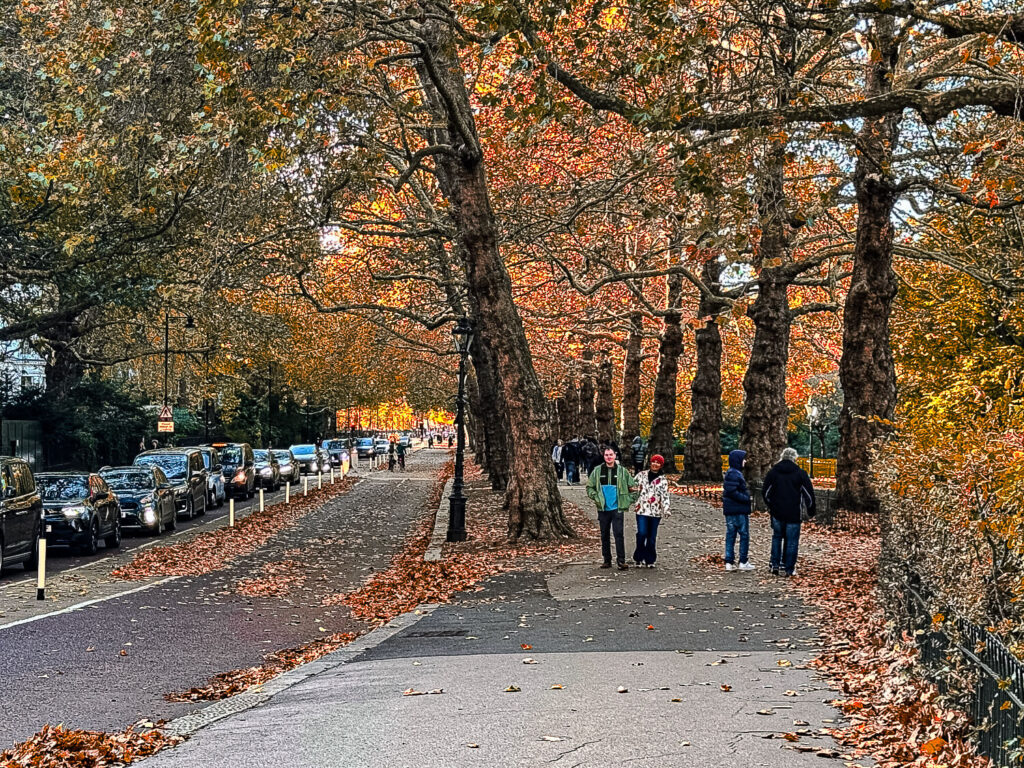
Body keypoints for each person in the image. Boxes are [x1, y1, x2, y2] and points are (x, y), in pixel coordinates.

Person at [762, 447, 816, 577]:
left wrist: (771, 506)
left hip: (777, 512)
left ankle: (775, 565)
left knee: (777, 537)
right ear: (794, 458)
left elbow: (766, 493)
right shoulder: (800, 473)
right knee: (792, 541)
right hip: (794, 512)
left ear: (782, 457)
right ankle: (789, 568)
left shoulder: (773, 473)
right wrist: (811, 510)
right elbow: (809, 495)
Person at [586, 447, 638, 570]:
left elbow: (634, 488)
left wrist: (628, 500)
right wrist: (596, 497)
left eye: (611, 454)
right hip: (603, 508)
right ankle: (606, 560)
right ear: (603, 456)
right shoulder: (598, 471)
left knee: (618, 533)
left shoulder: (622, 471)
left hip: (617, 507)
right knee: (604, 534)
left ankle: (621, 560)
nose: (609, 457)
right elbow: (590, 487)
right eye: (606, 455)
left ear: (615, 456)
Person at [633, 453, 671, 567]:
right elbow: (632, 487)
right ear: (650, 462)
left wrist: (667, 509)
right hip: (642, 509)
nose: (655, 464)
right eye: (654, 461)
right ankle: (638, 556)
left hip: (655, 511)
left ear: (661, 465)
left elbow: (665, 495)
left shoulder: (663, 480)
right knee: (642, 533)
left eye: (658, 463)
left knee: (651, 536)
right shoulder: (641, 475)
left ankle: (650, 559)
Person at [722, 449, 755, 571]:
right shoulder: (735, 474)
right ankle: (743, 561)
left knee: (731, 535)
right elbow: (732, 491)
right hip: (739, 509)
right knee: (744, 535)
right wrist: (746, 498)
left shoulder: (732, 473)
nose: (745, 461)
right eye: (743, 459)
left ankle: (729, 562)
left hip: (731, 510)